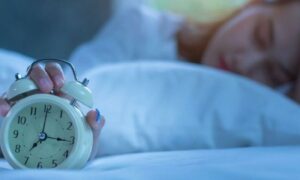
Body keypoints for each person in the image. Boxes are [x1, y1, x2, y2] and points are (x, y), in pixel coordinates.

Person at [0, 0, 299, 163]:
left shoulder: (263, 116)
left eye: (274, 73)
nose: (246, 62)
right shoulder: (142, 27)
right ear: (251, 5)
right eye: (260, 36)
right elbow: (83, 82)